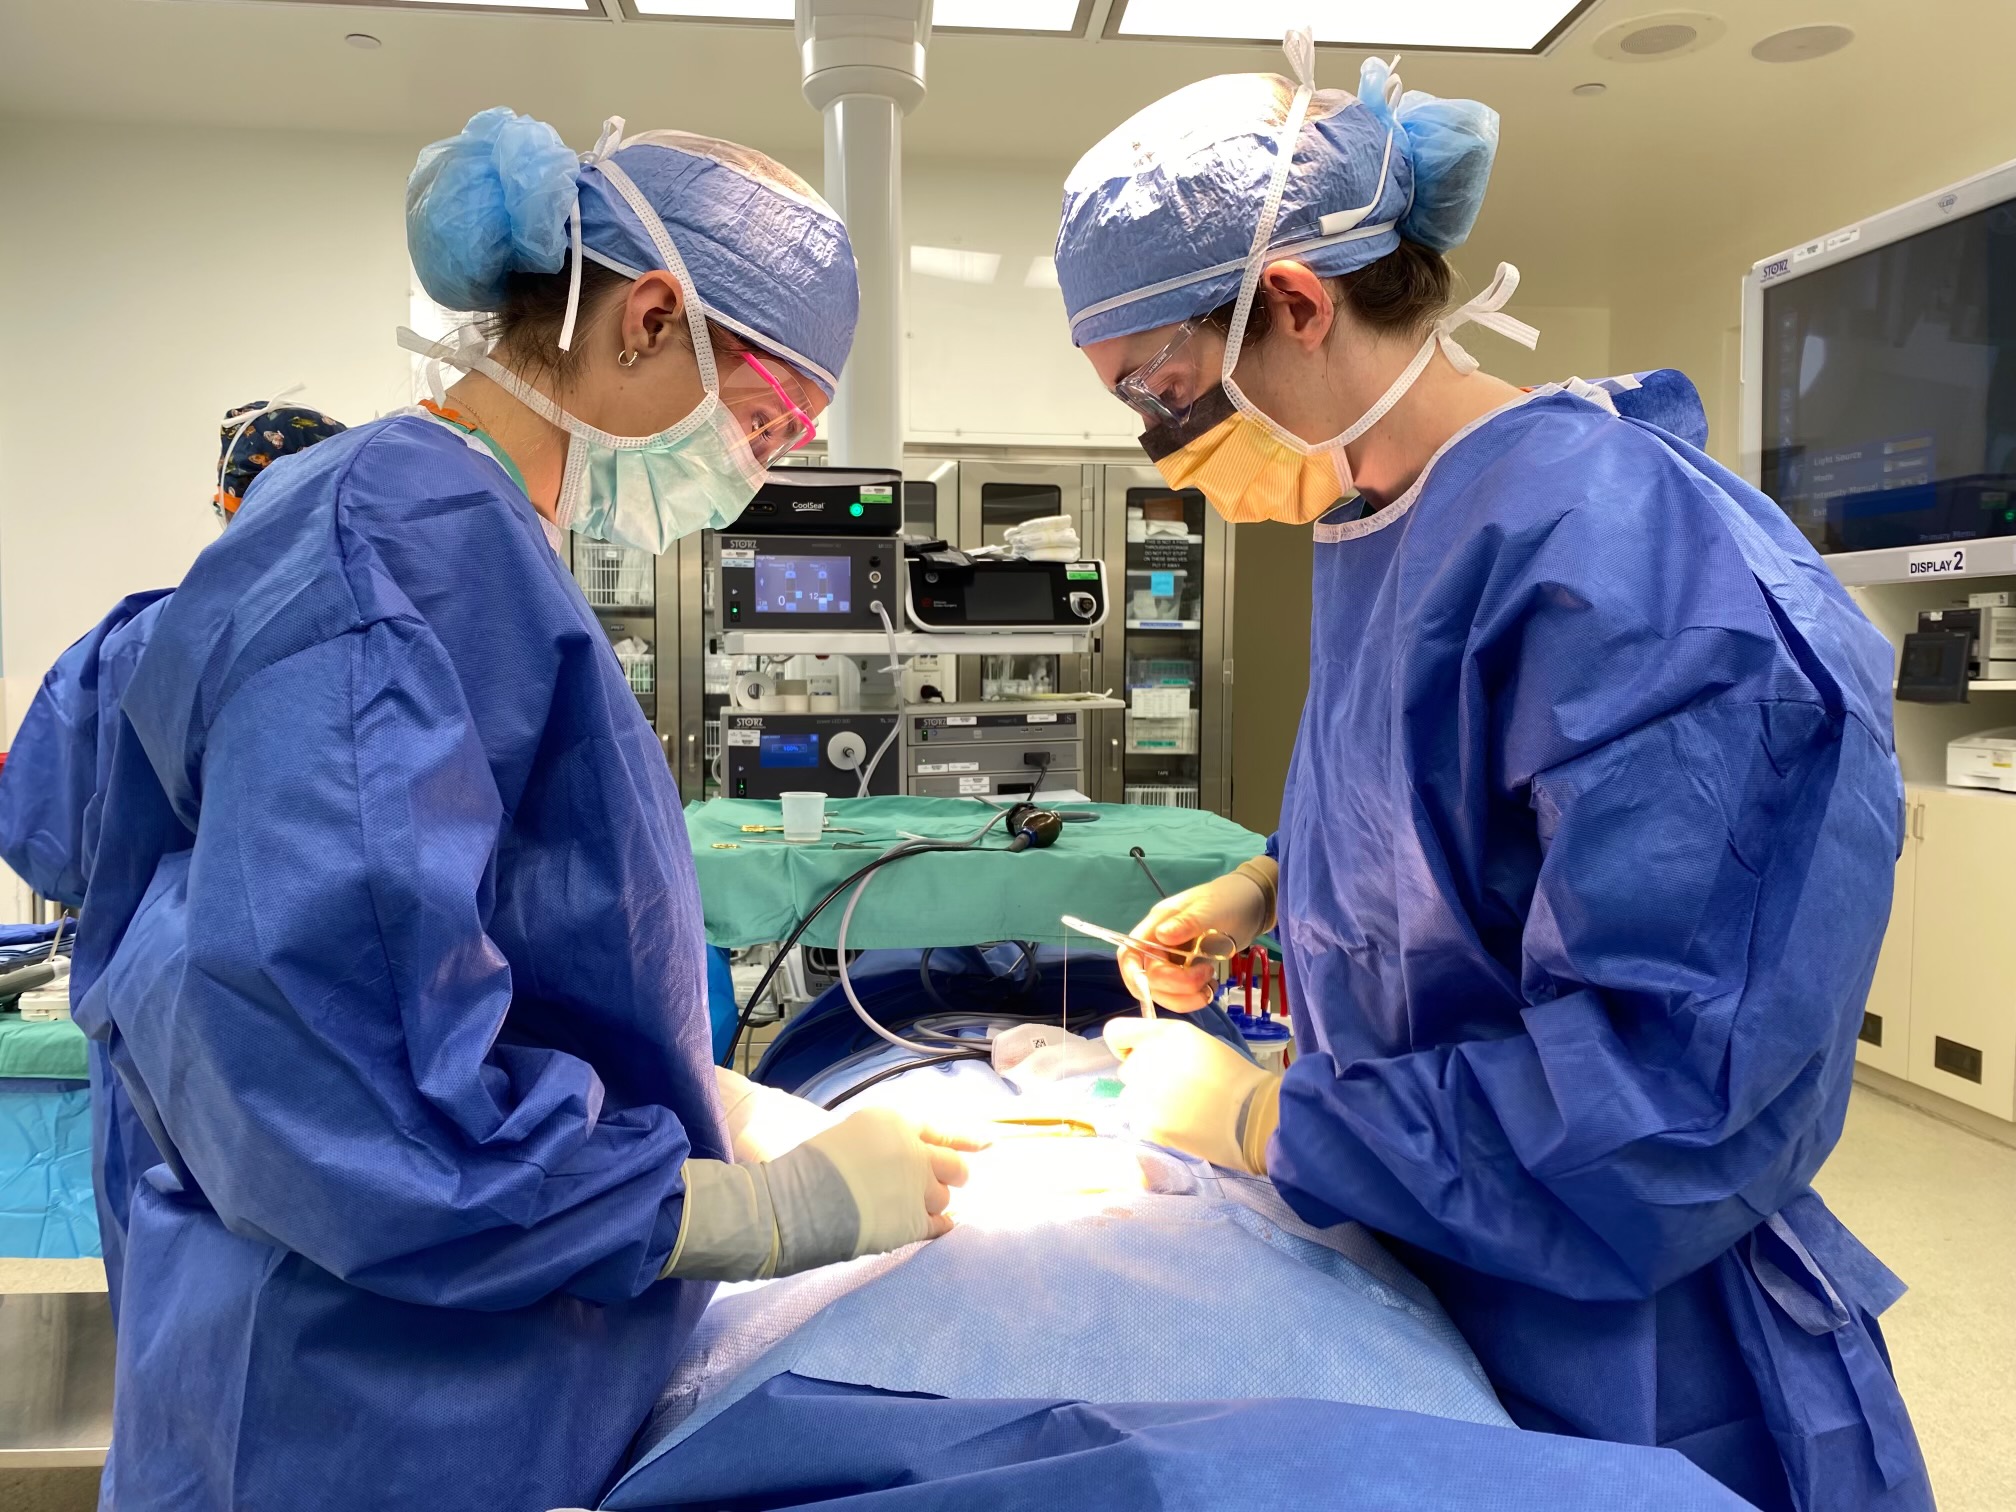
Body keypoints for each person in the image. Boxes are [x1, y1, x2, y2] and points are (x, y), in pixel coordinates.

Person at [1054, 34, 1931, 1512]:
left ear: (1293, 300)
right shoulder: (1389, 520)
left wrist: (1265, 1120)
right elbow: (1467, 824)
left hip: (1636, 1350)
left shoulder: (1637, 569)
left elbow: (1667, 1104)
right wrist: (1272, 883)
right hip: (1433, 1254)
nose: (1158, 447)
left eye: (1161, 392)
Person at [69, 108, 973, 1512]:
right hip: (361, 1403)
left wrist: (700, 1102)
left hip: (422, 1363)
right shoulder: (396, 554)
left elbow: (467, 955)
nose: (763, 466)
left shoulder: (434, 530)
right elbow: (351, 1087)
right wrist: (752, 1209)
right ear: (651, 317)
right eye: (768, 422)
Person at [0, 397, 345, 1318]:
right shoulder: (364, 646)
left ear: (224, 503)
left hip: (155, 1009)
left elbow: (49, 846)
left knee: (168, 1288)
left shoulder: (132, 644)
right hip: (315, 1023)